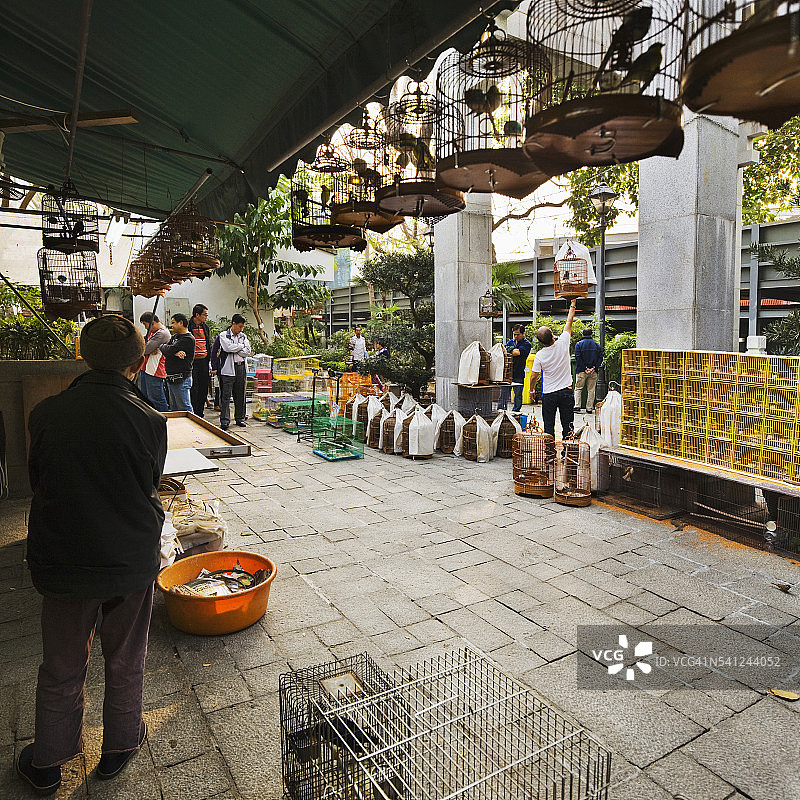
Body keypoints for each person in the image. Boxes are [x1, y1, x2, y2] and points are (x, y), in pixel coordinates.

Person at [20, 316, 167, 794]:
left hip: (64, 560)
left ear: (82, 356)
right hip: (129, 560)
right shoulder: (150, 420)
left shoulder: (44, 413)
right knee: (126, 657)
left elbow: (39, 484)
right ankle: (120, 745)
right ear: (139, 362)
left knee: (61, 663)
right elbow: (148, 485)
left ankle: (47, 761)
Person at [530, 299, 578, 438]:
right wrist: (572, 303)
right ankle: (568, 454)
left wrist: (531, 391)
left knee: (549, 426)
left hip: (549, 394)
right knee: (568, 424)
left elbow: (534, 376)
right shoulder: (563, 342)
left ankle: (550, 456)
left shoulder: (539, 356)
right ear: (552, 335)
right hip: (566, 391)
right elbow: (569, 322)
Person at [218, 313, 251, 430]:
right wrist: (240, 347)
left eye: (242, 327)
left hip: (241, 367)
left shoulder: (243, 336)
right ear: (234, 324)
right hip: (228, 369)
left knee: (240, 394)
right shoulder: (223, 335)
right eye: (240, 326)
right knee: (226, 396)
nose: (241, 329)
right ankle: (225, 421)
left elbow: (247, 352)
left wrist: (237, 348)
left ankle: (240, 418)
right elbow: (227, 348)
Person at [160, 313, 195, 412]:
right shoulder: (175, 337)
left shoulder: (188, 339)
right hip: (171, 378)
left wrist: (171, 351)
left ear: (181, 323)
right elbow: (163, 347)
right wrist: (174, 352)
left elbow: (168, 350)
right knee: (175, 409)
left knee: (184, 408)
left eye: (173, 322)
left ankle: (190, 427)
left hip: (181, 378)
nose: (172, 325)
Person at [138, 312, 170, 412]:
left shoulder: (162, 333)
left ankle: (164, 419)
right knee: (146, 397)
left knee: (156, 399)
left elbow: (145, 349)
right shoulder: (153, 332)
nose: (145, 327)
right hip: (147, 368)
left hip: (155, 370)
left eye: (145, 324)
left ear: (152, 322)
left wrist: (147, 347)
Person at [498, 324, 532, 412]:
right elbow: (503, 350)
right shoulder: (511, 342)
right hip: (508, 373)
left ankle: (516, 412)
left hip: (519, 373)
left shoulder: (527, 344)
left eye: (518, 334)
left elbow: (518, 352)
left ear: (523, 333)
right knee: (503, 395)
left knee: (517, 395)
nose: (516, 336)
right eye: (514, 334)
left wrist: (510, 350)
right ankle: (501, 411)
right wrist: (511, 350)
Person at [188, 304, 211, 417]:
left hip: (204, 362)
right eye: (204, 315)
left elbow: (208, 344)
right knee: (194, 388)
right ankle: (194, 413)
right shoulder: (188, 326)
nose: (206, 317)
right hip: (192, 363)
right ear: (197, 315)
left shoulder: (205, 327)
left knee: (203, 387)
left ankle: (200, 413)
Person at [574, 328, 603, 413]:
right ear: (591, 335)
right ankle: (589, 408)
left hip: (581, 371)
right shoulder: (597, 345)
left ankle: (577, 406)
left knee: (578, 388)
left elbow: (578, 358)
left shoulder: (579, 344)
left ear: (583, 335)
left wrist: (585, 368)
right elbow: (600, 358)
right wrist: (593, 368)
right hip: (593, 372)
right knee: (591, 390)